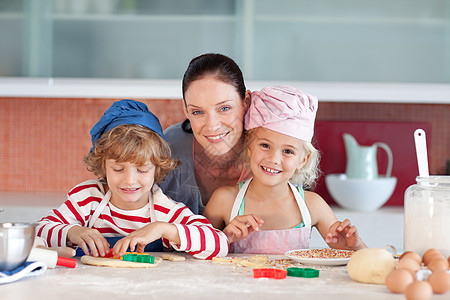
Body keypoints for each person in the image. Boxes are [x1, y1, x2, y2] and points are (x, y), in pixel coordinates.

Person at [36, 99, 228, 260]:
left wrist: (163, 229)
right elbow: (38, 232)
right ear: (103, 166)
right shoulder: (88, 200)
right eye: (118, 169)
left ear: (157, 168)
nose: (130, 181)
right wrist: (72, 232)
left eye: (142, 169)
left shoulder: (164, 210)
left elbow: (219, 244)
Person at [203, 86, 367, 254]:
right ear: (249, 146)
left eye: (288, 151)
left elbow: (361, 258)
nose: (274, 159)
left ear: (303, 159)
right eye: (265, 145)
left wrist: (354, 246)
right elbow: (195, 255)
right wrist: (224, 237)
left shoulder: (313, 205)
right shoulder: (223, 201)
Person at [159, 53, 252, 215]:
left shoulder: (271, 151)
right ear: (185, 109)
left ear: (246, 101)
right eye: (197, 112)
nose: (212, 126)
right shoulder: (167, 148)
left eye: (224, 108)